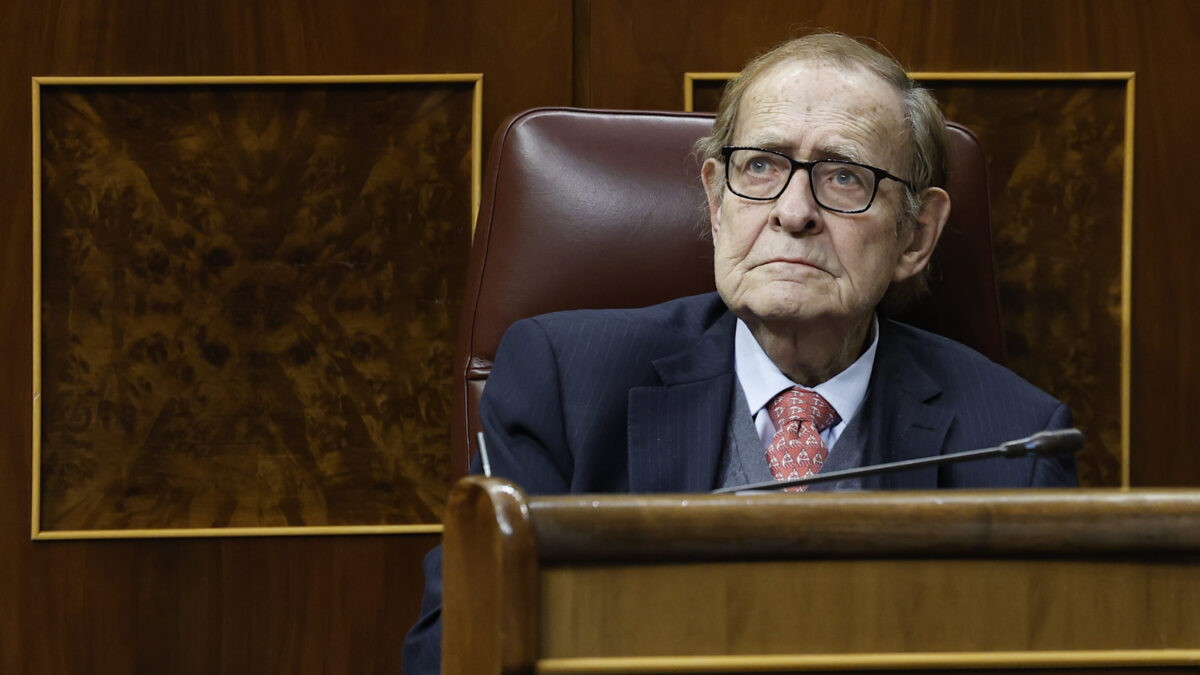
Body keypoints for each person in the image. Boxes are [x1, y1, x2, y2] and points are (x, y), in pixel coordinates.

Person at [402, 32, 1077, 673]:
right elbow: (457, 647)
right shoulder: (562, 380)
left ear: (917, 234)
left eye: (844, 176)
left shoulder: (1017, 441)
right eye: (760, 165)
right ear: (718, 202)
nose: (793, 211)